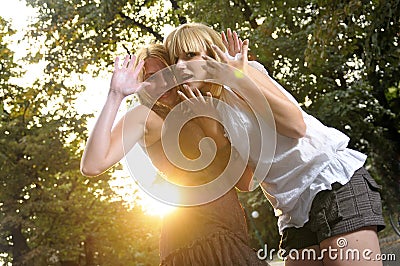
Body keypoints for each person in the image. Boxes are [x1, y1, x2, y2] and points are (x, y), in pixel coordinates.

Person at [165, 23, 386, 265]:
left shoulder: (246, 72)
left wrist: (239, 78)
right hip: (292, 209)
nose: (180, 66)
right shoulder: (208, 109)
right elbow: (246, 182)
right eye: (175, 60)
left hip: (329, 182)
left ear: (211, 53)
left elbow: (296, 126)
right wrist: (210, 125)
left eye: (189, 55)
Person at [80, 43, 268, 265]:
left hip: (232, 233)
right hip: (194, 242)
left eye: (166, 72)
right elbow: (92, 166)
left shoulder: (205, 106)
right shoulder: (146, 118)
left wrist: (213, 126)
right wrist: (116, 95)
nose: (161, 82)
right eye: (150, 77)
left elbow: (245, 182)